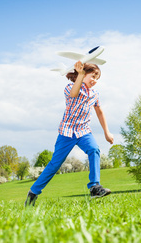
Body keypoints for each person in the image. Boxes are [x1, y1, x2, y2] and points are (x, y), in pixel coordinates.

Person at [25, 61, 114, 206]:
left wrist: (107, 132)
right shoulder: (69, 88)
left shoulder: (94, 94)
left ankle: (94, 187)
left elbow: (99, 112)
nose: (95, 81)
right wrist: (79, 74)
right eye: (93, 76)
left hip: (84, 131)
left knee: (94, 149)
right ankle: (33, 192)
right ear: (83, 74)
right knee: (55, 164)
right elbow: (74, 93)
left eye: (97, 78)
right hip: (67, 132)